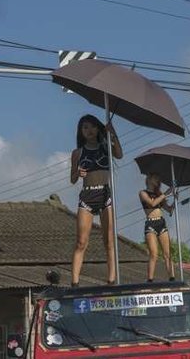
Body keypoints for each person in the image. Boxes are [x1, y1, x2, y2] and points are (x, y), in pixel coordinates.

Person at [69, 114, 123, 286]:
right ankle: (75, 282)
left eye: (92, 126)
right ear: (81, 132)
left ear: (98, 128)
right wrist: (78, 173)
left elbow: (119, 154)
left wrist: (112, 133)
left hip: (105, 194)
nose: (89, 130)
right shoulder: (77, 153)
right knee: (81, 241)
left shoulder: (105, 147)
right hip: (87, 196)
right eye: (85, 128)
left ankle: (111, 279)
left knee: (109, 240)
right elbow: (72, 179)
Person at [139, 173, 176, 282]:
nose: (158, 181)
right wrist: (165, 194)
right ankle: (150, 279)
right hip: (151, 224)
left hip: (161, 222)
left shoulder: (159, 194)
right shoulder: (143, 193)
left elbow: (169, 210)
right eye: (156, 178)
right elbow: (152, 203)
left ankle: (172, 278)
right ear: (149, 179)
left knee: (167, 254)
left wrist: (174, 201)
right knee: (154, 254)